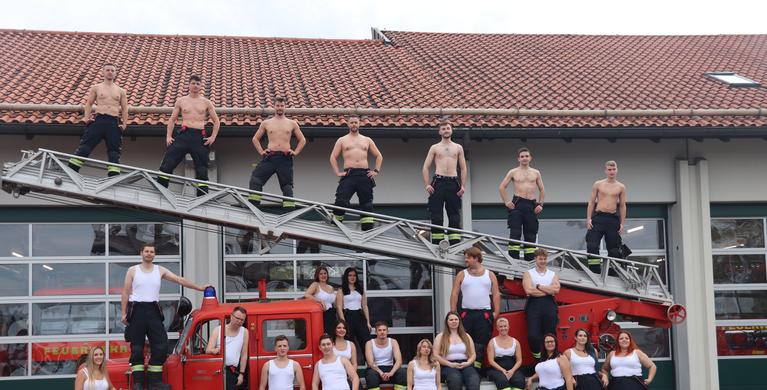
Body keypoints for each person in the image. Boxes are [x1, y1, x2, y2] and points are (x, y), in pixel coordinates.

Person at [121, 242, 212, 390]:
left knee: (162, 345)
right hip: (136, 310)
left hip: (153, 310)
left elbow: (180, 280)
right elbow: (125, 292)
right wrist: (124, 313)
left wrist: (200, 288)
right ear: (141, 253)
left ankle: (154, 382)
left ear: (154, 255)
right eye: (146, 251)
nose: (149, 254)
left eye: (152, 251)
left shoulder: (160, 270)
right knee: (137, 348)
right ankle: (138, 383)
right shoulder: (133, 270)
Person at [156, 75, 220, 197]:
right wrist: (168, 136)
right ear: (189, 85)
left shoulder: (206, 102)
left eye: (198, 84)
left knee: (202, 167)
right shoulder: (181, 101)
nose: (195, 86)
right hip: (184, 134)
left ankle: (201, 196)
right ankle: (161, 189)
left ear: (201, 86)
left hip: (199, 136)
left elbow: (216, 121)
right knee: (168, 160)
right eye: (193, 83)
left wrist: (212, 137)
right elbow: (172, 120)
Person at [68, 63, 128, 177]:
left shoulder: (121, 91)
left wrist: (124, 124)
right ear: (103, 73)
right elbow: (89, 104)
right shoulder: (96, 87)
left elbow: (125, 109)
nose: (110, 72)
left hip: (114, 121)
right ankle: (72, 169)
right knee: (85, 146)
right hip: (99, 119)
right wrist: (87, 118)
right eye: (108, 70)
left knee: (114, 151)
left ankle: (113, 177)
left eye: (112, 70)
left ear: (115, 73)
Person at [248, 97, 306, 212]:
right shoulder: (266, 123)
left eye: (282, 106)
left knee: (287, 187)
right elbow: (255, 139)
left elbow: (303, 140)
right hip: (270, 157)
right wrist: (261, 151)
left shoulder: (292, 123)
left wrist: (295, 152)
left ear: (285, 107)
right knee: (255, 180)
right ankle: (253, 208)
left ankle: (288, 213)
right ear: (274, 107)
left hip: (285, 158)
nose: (280, 108)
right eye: (278, 105)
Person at [329, 115, 383, 231]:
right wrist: (338, 172)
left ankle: (367, 229)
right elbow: (333, 157)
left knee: (367, 205)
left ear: (359, 124)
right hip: (349, 174)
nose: (354, 124)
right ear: (348, 124)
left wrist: (376, 171)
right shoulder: (342, 140)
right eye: (352, 122)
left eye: (356, 122)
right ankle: (335, 225)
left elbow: (379, 156)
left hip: (365, 174)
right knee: (341, 201)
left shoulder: (367, 140)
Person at [450, 247, 500, 369]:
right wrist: (453, 313)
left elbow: (496, 294)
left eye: (467, 257)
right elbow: (454, 293)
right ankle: (463, 367)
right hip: (466, 314)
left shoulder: (490, 274)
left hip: (484, 315)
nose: (465, 260)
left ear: (476, 258)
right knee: (464, 342)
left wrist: (496, 313)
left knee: (480, 345)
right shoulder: (462, 274)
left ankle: (475, 369)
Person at [422, 121, 467, 245]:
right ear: (440, 132)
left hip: (454, 181)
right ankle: (437, 243)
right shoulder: (435, 147)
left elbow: (463, 168)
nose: (446, 130)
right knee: (437, 215)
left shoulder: (458, 147)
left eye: (448, 128)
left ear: (452, 131)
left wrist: (463, 186)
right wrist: (427, 184)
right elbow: (425, 167)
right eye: (443, 129)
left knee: (454, 215)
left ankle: (455, 243)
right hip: (439, 181)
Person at [499, 147, 545, 260]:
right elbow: (501, 187)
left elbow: (542, 189)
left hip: (531, 204)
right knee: (515, 231)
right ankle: (514, 259)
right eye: (522, 156)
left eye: (526, 156)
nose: (524, 158)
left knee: (530, 233)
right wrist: (507, 202)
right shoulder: (513, 172)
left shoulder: (536, 172)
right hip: (518, 204)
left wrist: (541, 204)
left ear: (530, 158)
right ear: (518, 159)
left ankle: (529, 259)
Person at [585, 161, 626, 274]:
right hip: (599, 217)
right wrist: (589, 219)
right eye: (609, 169)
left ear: (617, 170)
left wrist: (622, 223)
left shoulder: (621, 187)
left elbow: (622, 206)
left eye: (613, 169)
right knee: (592, 244)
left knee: (614, 248)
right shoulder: (598, 184)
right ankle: (594, 271)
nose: (611, 172)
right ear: (605, 171)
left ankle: (613, 273)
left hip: (613, 218)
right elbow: (592, 202)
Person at [522, 248, 560, 361]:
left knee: (550, 335)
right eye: (540, 259)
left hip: (550, 305)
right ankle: (538, 359)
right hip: (534, 305)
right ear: (535, 259)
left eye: (544, 259)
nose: (542, 261)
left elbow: (556, 290)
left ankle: (550, 359)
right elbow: (528, 290)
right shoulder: (529, 273)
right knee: (533, 336)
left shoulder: (553, 274)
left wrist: (538, 286)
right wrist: (548, 289)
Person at [433, 311, 480, 390]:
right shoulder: (440, 337)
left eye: (456, 319)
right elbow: (435, 355)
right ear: (447, 322)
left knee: (474, 378)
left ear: (459, 321)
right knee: (454, 379)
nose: (454, 321)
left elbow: (473, 354)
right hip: (447, 365)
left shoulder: (466, 336)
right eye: (451, 320)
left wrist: (467, 363)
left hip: (465, 364)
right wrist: (450, 364)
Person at [207, 307, 250, 390]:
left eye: (242, 320)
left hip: (233, 371)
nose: (239, 321)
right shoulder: (217, 330)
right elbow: (208, 350)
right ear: (231, 316)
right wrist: (213, 350)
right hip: (218, 369)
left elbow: (244, 355)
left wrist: (241, 374)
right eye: (237, 318)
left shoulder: (244, 332)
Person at [336, 267, 372, 349]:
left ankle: (369, 361)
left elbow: (365, 306)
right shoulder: (341, 290)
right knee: (348, 341)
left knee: (366, 341)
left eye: (354, 275)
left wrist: (368, 322)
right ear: (346, 277)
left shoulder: (360, 289)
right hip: (348, 316)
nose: (352, 277)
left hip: (359, 316)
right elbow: (338, 307)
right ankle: (347, 361)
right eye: (350, 275)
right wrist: (343, 323)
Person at [365, 321, 407, 390]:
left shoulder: (393, 342)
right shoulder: (369, 343)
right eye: (379, 330)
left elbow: (399, 360)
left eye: (384, 330)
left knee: (403, 372)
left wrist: (391, 373)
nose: (382, 332)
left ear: (387, 331)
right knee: (371, 374)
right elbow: (370, 362)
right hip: (376, 370)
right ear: (376, 332)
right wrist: (381, 373)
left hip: (390, 369)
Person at [486, 318, 525, 390]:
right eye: (500, 327)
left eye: (505, 326)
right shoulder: (492, 342)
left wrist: (512, 371)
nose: (503, 328)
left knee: (519, 381)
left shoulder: (515, 342)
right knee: (502, 381)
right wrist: (503, 370)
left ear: (509, 327)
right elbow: (491, 361)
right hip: (497, 369)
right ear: (497, 328)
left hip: (513, 367)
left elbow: (519, 360)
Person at [304, 266, 336, 335]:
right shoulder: (315, 285)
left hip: (332, 315)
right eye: (321, 274)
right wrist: (320, 301)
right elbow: (307, 295)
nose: (323, 275)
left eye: (325, 273)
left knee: (334, 337)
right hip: (322, 315)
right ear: (317, 276)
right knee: (327, 338)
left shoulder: (331, 287)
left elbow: (331, 302)